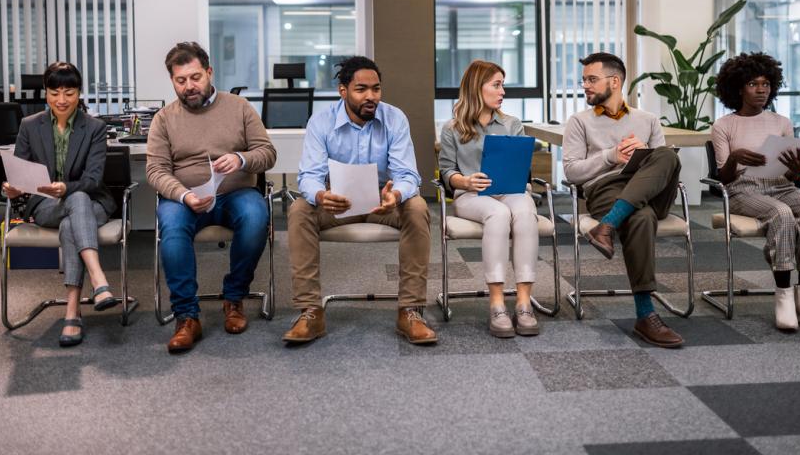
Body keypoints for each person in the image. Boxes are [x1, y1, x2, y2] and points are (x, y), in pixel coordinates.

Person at [284, 56, 436, 346]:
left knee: (417, 206)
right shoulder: (321, 121)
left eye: (376, 89)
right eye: (361, 89)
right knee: (299, 209)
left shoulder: (394, 118)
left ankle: (410, 310)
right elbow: (308, 176)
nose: (371, 96)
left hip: (383, 201)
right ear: (343, 90)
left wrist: (397, 195)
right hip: (338, 201)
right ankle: (311, 312)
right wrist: (320, 195)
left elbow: (408, 175)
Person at [147, 42, 276, 354]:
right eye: (181, 81)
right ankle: (187, 316)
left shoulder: (240, 107)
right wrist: (183, 194)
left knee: (257, 216)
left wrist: (242, 159)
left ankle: (234, 297)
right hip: (186, 198)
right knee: (173, 229)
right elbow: (155, 170)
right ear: (172, 81)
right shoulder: (164, 119)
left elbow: (268, 153)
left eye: (195, 78)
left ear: (209, 72)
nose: (189, 86)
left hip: (235, 192)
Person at [562, 52, 684, 348]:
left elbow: (664, 168)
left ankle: (607, 226)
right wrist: (611, 156)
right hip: (607, 189)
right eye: (584, 81)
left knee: (666, 154)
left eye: (592, 79)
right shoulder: (579, 122)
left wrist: (646, 155)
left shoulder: (648, 119)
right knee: (640, 217)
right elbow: (572, 172)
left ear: (614, 82)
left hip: (650, 189)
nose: (585, 86)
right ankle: (646, 314)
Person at [713, 52, 800, 331]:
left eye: (766, 84)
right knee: (781, 214)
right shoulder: (724, 126)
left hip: (781, 184)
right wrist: (735, 157)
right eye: (753, 84)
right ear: (739, 88)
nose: (761, 89)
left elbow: (792, 175)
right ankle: (783, 296)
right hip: (744, 189)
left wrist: (797, 169)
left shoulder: (781, 122)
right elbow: (724, 179)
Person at [4, 62, 119, 347]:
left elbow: (93, 180)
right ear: (46, 93)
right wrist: (12, 189)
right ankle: (98, 279)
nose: (62, 99)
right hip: (45, 206)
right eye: (55, 92)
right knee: (73, 204)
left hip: (91, 202)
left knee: (75, 208)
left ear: (80, 93)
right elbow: (19, 173)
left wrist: (66, 187)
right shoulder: (30, 126)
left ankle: (72, 311)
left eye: (69, 92)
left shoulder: (95, 128)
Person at [438, 60, 540, 338]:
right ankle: (496, 303)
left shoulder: (512, 124)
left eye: (502, 84)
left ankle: (523, 302)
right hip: (471, 195)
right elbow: (446, 170)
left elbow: (522, 166)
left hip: (510, 190)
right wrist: (464, 180)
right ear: (476, 87)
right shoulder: (452, 128)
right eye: (496, 84)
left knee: (525, 211)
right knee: (498, 214)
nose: (502, 90)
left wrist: (521, 182)